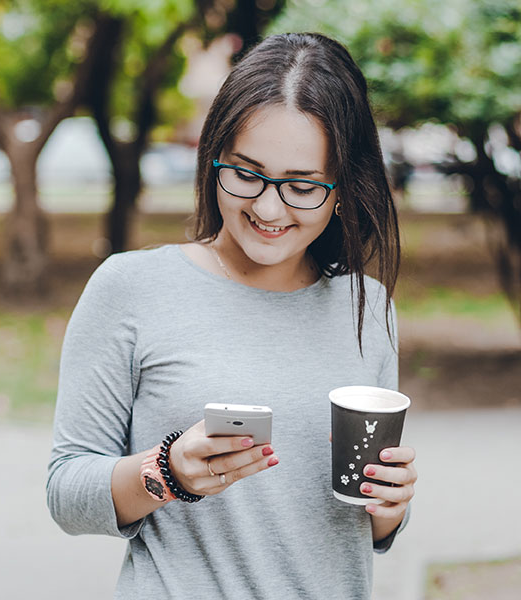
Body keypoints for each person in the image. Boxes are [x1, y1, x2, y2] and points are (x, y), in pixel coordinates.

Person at [47, 32, 417, 599]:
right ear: (212, 157)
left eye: (302, 186)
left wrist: (391, 506)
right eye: (246, 174)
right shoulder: (131, 288)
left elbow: (364, 526)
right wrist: (166, 472)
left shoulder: (367, 308)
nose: (269, 208)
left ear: (342, 188)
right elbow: (67, 492)